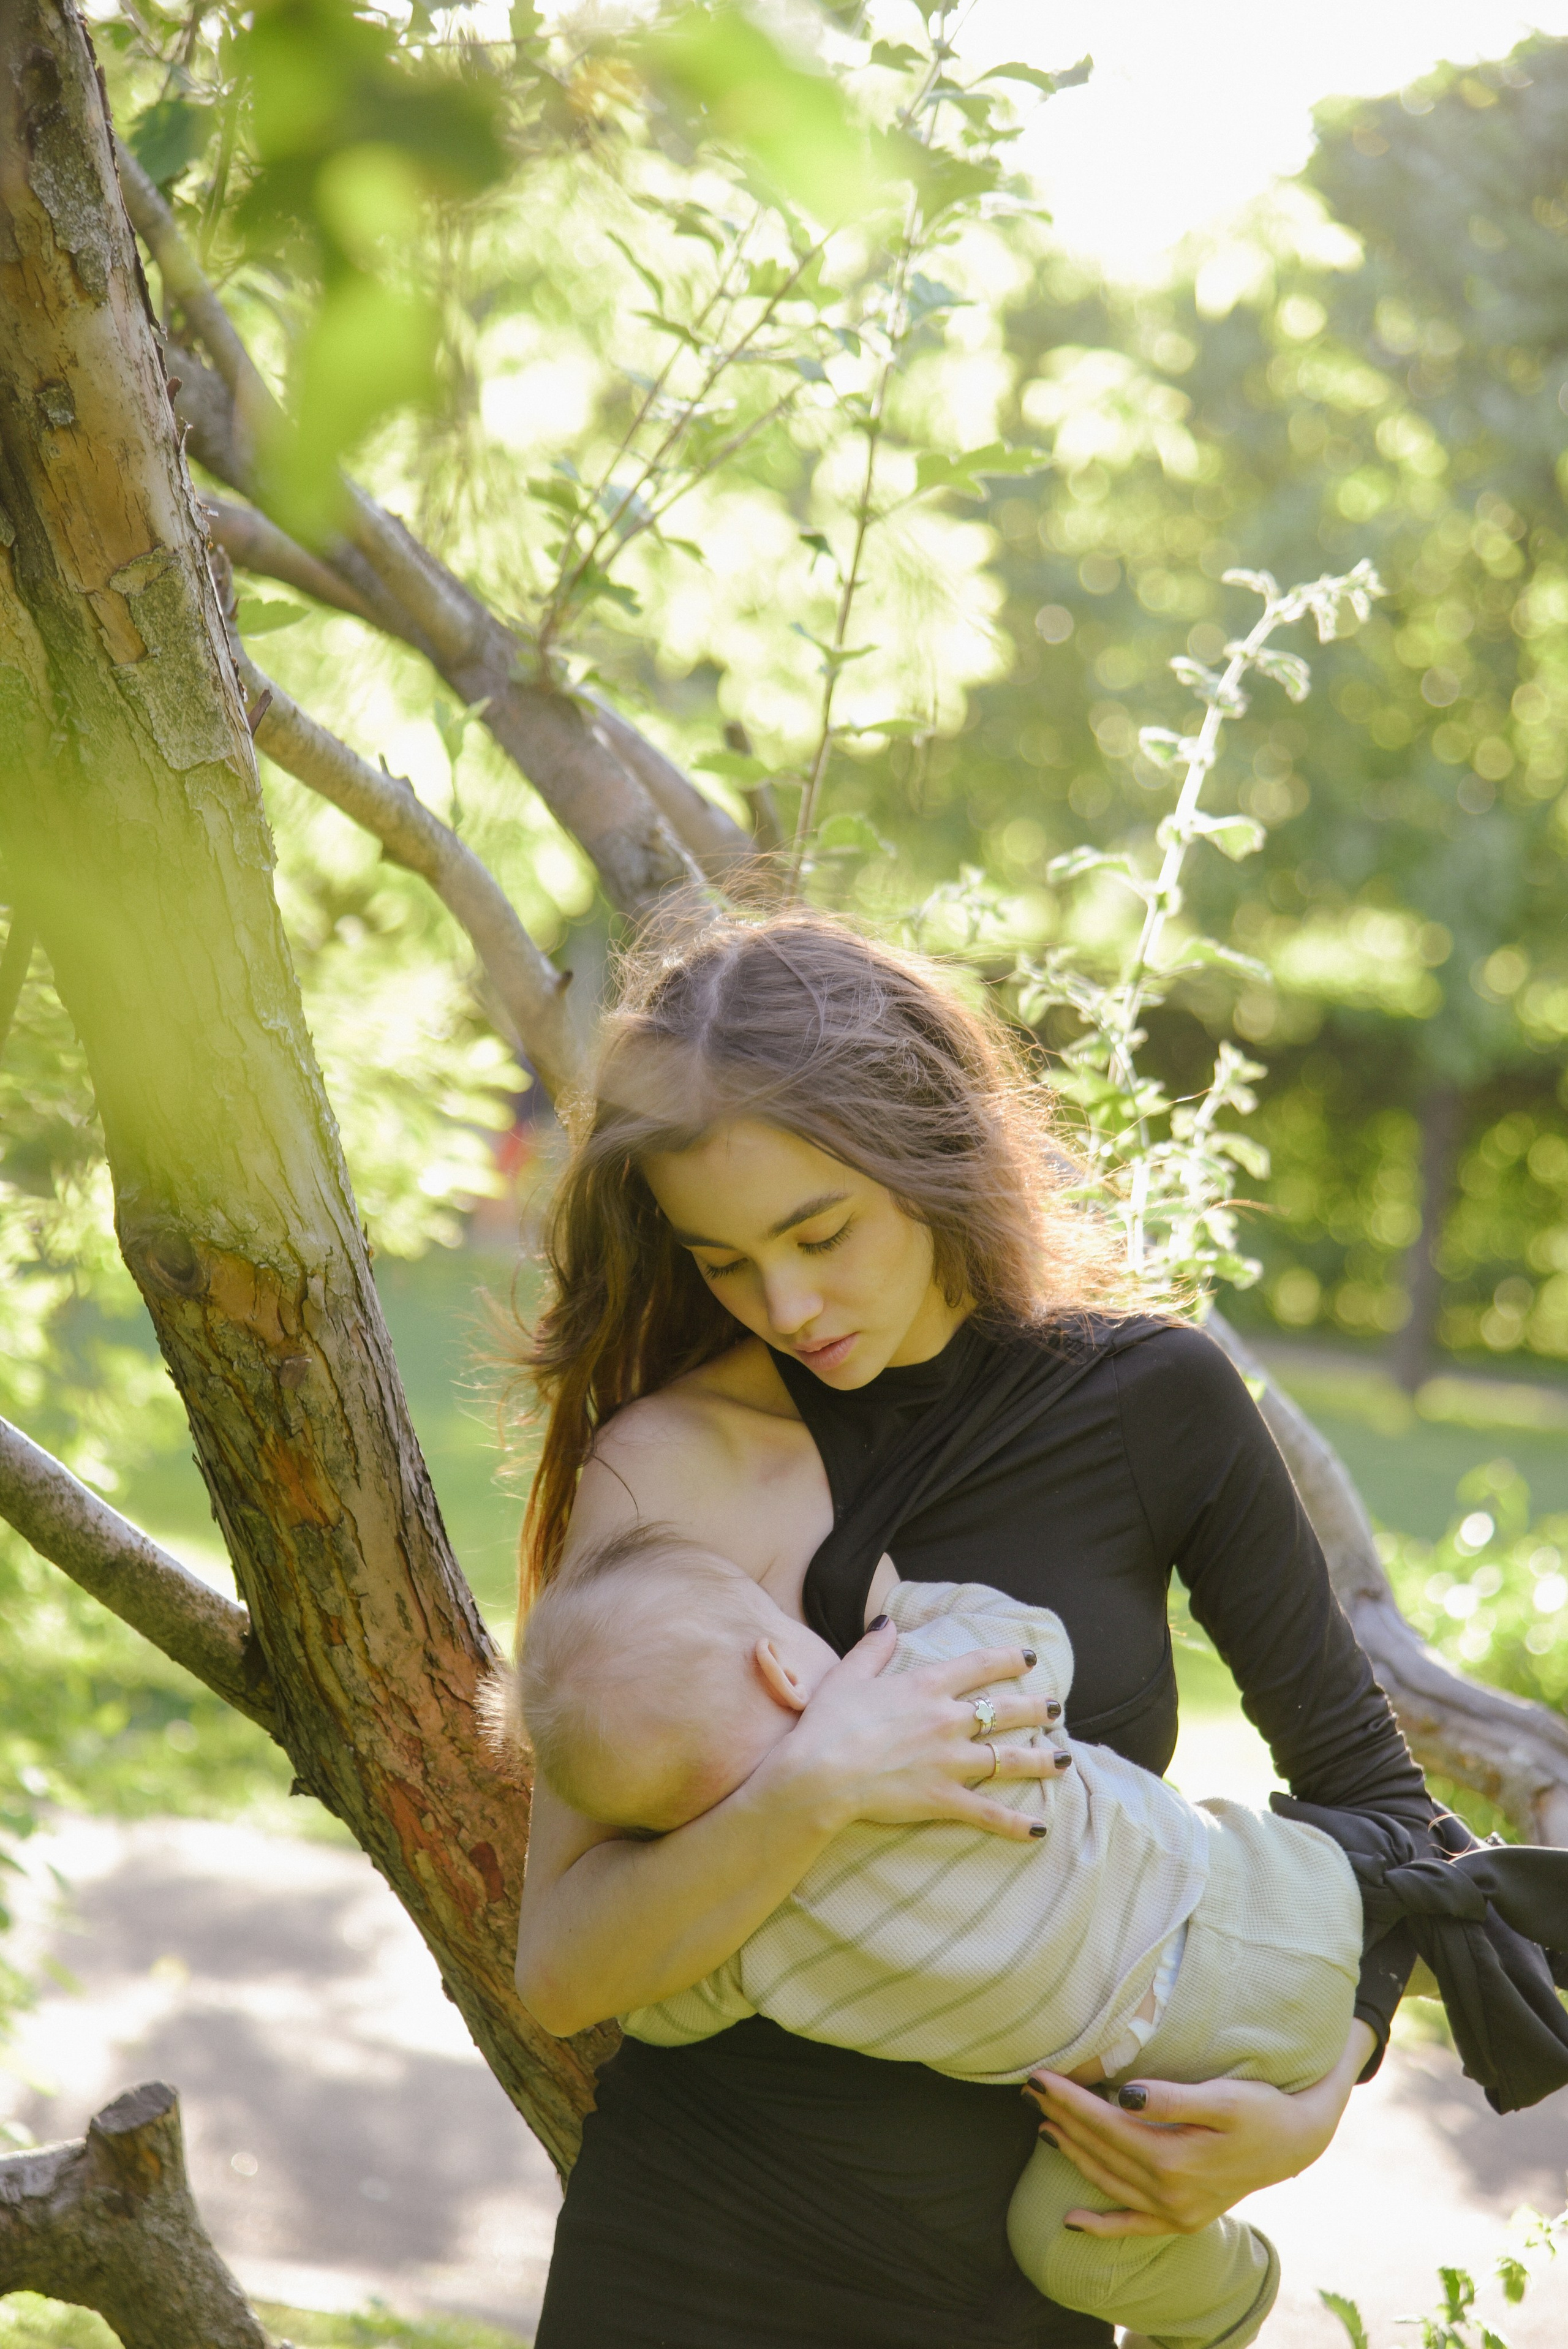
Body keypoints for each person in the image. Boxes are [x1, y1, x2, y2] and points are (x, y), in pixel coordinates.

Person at [510, 905, 1439, 2349]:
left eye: (819, 1232)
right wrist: (818, 1782)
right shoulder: (674, 1456)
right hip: (693, 2247)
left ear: (928, 1155)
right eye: (724, 1260)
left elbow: (1377, 1806)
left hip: (1024, 2272)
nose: (788, 1303)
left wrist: (1312, 2099)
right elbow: (563, 1969)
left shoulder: (1151, 1406)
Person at [512, 1533, 1370, 2349]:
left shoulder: (747, 1944)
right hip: (1274, 1906)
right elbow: (1036, 1641)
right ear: (781, 1666)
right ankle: (1452, 1932)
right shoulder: (925, 1685)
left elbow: (655, 2010)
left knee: (1067, 2243)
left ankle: (1229, 2295)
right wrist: (896, 1605)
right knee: (1376, 1900)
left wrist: (691, 1868)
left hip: (1171, 2085)